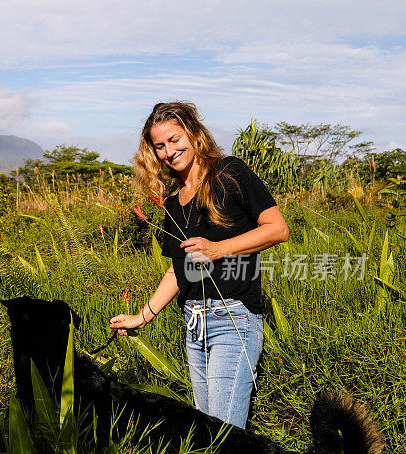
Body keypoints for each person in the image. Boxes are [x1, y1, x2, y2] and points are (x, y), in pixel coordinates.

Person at [109, 102, 289, 429]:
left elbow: (278, 229)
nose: (169, 151)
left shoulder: (230, 173)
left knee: (224, 436)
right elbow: (180, 271)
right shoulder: (175, 200)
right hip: (194, 324)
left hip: (233, 317)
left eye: (175, 140)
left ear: (194, 133)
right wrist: (141, 317)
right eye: (159, 146)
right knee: (209, 432)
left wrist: (219, 249)